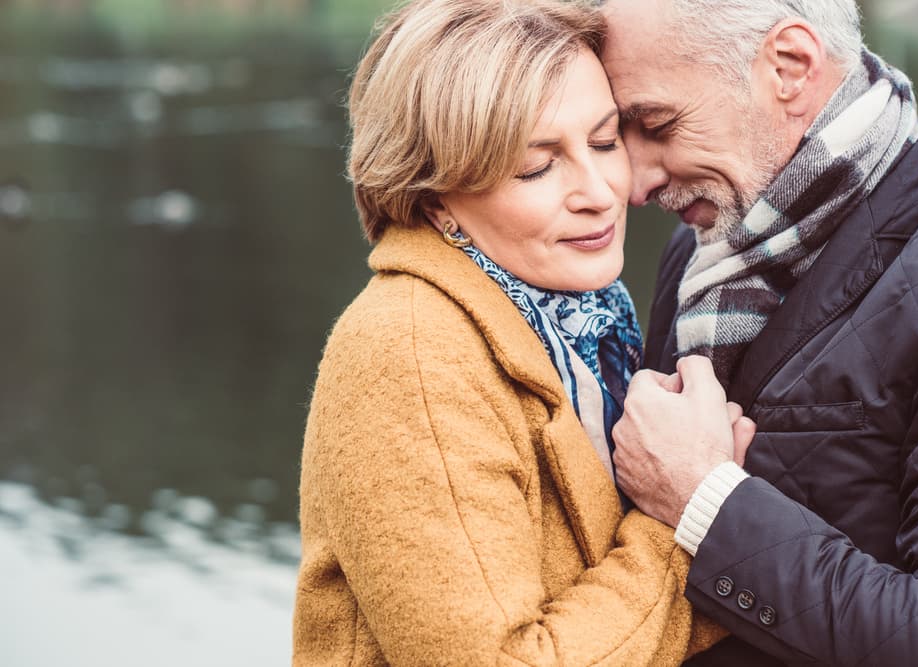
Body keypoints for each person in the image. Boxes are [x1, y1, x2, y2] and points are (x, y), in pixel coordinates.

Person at [292, 1, 750, 664]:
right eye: (538, 167)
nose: (600, 190)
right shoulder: (411, 354)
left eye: (603, 141)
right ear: (436, 201)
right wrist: (686, 517)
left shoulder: (587, 322)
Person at [600, 0, 918, 665]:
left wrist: (706, 498)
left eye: (658, 125)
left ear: (789, 67)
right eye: (620, 134)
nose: (636, 182)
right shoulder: (702, 247)